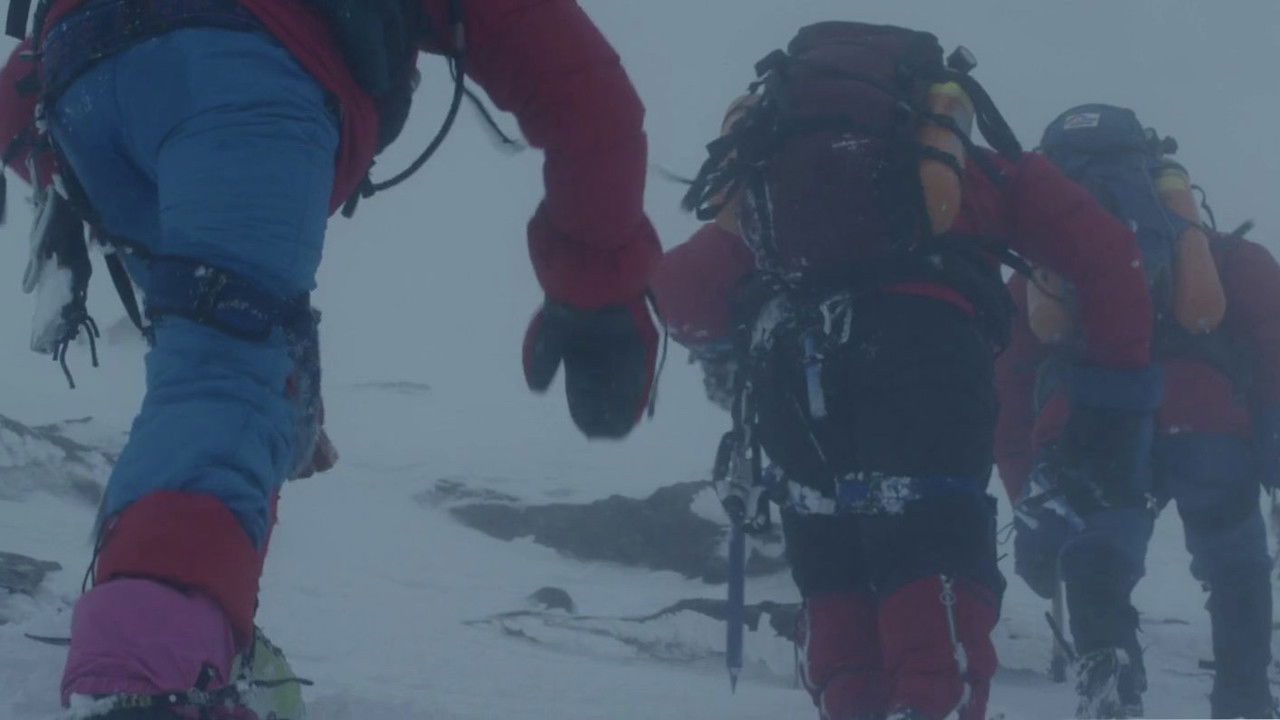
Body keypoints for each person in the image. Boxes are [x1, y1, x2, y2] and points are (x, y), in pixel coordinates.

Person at [0, 0, 660, 716]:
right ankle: (152, 678)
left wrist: (63, 152)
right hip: (238, 75)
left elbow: (17, 97)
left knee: (224, 375)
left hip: (80, 96)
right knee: (226, 373)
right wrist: (595, 290)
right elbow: (579, 83)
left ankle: (192, 622)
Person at [653, 22, 1156, 720]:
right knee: (932, 562)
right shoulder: (963, 172)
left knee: (837, 577)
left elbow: (680, 294)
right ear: (931, 100)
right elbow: (1107, 255)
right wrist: (1109, 405)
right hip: (926, 367)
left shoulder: (775, 188)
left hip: (797, 381)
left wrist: (724, 360)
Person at [996, 109, 1278, 719]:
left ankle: (1110, 687)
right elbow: (1274, 353)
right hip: (1210, 429)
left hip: (1092, 430)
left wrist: (1027, 497)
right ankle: (1245, 700)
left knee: (1099, 560)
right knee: (1235, 566)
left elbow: (1010, 399)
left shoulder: (1037, 281)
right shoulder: (1232, 259)